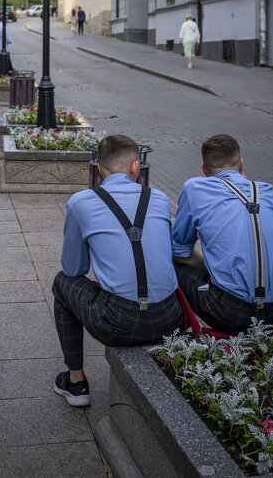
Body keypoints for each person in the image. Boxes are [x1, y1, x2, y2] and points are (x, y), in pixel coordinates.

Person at [52, 134, 184, 407]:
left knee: (62, 283)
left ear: (99, 168)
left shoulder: (80, 202)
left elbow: (73, 268)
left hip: (117, 322)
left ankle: (76, 383)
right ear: (136, 167)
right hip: (171, 319)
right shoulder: (158, 198)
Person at [172, 133, 273, 335]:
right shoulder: (265, 190)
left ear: (204, 169)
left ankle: (172, 333)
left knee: (172, 265)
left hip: (231, 312)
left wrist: (212, 266)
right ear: (241, 164)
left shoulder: (195, 188)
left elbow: (178, 251)